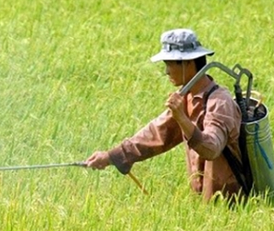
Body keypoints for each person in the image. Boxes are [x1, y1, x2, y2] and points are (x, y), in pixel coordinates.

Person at [85, 28, 243, 202]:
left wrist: (181, 118)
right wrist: (112, 156)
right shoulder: (186, 98)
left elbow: (211, 148)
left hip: (233, 205)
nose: (166, 71)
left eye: (169, 64)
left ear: (188, 63)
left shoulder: (219, 102)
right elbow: (156, 134)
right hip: (206, 206)